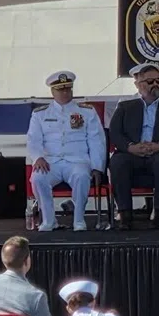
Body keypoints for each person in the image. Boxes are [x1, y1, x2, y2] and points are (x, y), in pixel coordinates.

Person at [108, 63, 159, 229]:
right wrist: (131, 147)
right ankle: (125, 215)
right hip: (133, 153)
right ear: (139, 85)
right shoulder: (125, 107)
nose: (155, 85)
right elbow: (115, 134)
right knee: (117, 162)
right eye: (150, 81)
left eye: (158, 81)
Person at [26, 70, 106, 232]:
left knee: (82, 176)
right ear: (52, 91)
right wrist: (38, 157)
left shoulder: (86, 111)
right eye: (60, 89)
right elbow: (33, 139)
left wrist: (97, 166)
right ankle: (49, 220)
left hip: (77, 161)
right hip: (50, 162)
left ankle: (79, 220)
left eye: (67, 89)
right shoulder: (40, 114)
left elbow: (97, 140)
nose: (64, 93)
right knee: (37, 178)